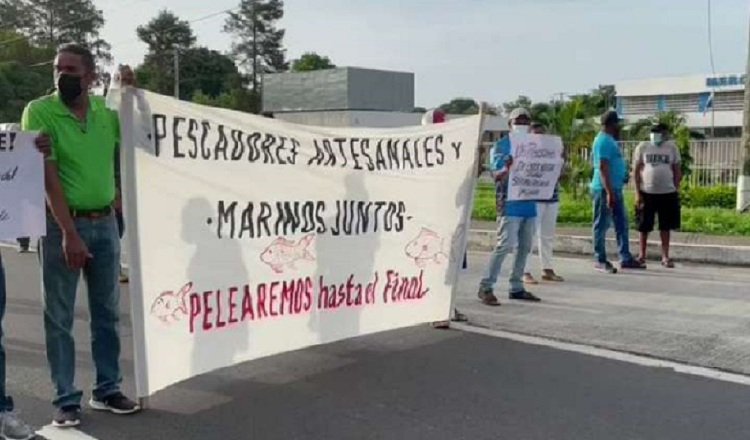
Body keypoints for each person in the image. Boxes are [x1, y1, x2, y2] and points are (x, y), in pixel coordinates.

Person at [22, 43, 140, 428]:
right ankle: (65, 398)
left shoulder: (107, 116)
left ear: (91, 76)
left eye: (71, 69)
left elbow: (141, 136)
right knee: (59, 316)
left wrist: (132, 94)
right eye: (58, 68)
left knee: (106, 312)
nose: (62, 75)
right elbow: (46, 176)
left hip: (105, 223)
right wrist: (69, 233)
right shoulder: (39, 111)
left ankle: (107, 388)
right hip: (62, 226)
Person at [477, 107, 541, 306]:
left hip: (529, 203)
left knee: (525, 247)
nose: (522, 124)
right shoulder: (501, 146)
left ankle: (516, 286)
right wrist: (508, 167)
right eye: (518, 121)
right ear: (510, 124)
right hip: (509, 203)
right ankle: (486, 286)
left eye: (525, 121)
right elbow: (496, 175)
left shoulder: (535, 147)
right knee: (504, 245)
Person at [421, 109, 469, 327]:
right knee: (435, 266)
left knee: (452, 265)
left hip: (453, 216)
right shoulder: (421, 151)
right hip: (430, 219)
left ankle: (447, 305)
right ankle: (434, 310)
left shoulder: (452, 149)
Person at [591, 110, 646, 273]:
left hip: (615, 188)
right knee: (601, 224)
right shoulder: (603, 141)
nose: (619, 127)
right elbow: (603, 167)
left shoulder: (610, 140)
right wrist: (609, 192)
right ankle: (599, 259)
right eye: (617, 124)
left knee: (621, 224)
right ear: (611, 125)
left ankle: (625, 257)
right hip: (604, 189)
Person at [632, 123, 682, 268]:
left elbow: (677, 170)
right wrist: (637, 192)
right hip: (646, 192)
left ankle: (665, 256)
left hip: (667, 192)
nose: (656, 135)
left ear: (665, 134)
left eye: (659, 132)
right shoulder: (643, 147)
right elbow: (636, 171)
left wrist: (676, 189)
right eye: (653, 132)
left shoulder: (671, 147)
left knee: (665, 226)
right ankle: (642, 255)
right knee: (643, 226)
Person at [523, 122, 564, 284]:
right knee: (529, 236)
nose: (539, 138)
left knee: (547, 235)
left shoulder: (552, 153)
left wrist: (561, 160)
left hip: (551, 197)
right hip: (535, 198)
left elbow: (560, 175)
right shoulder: (526, 154)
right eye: (536, 134)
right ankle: (524, 270)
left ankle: (547, 268)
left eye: (542, 134)